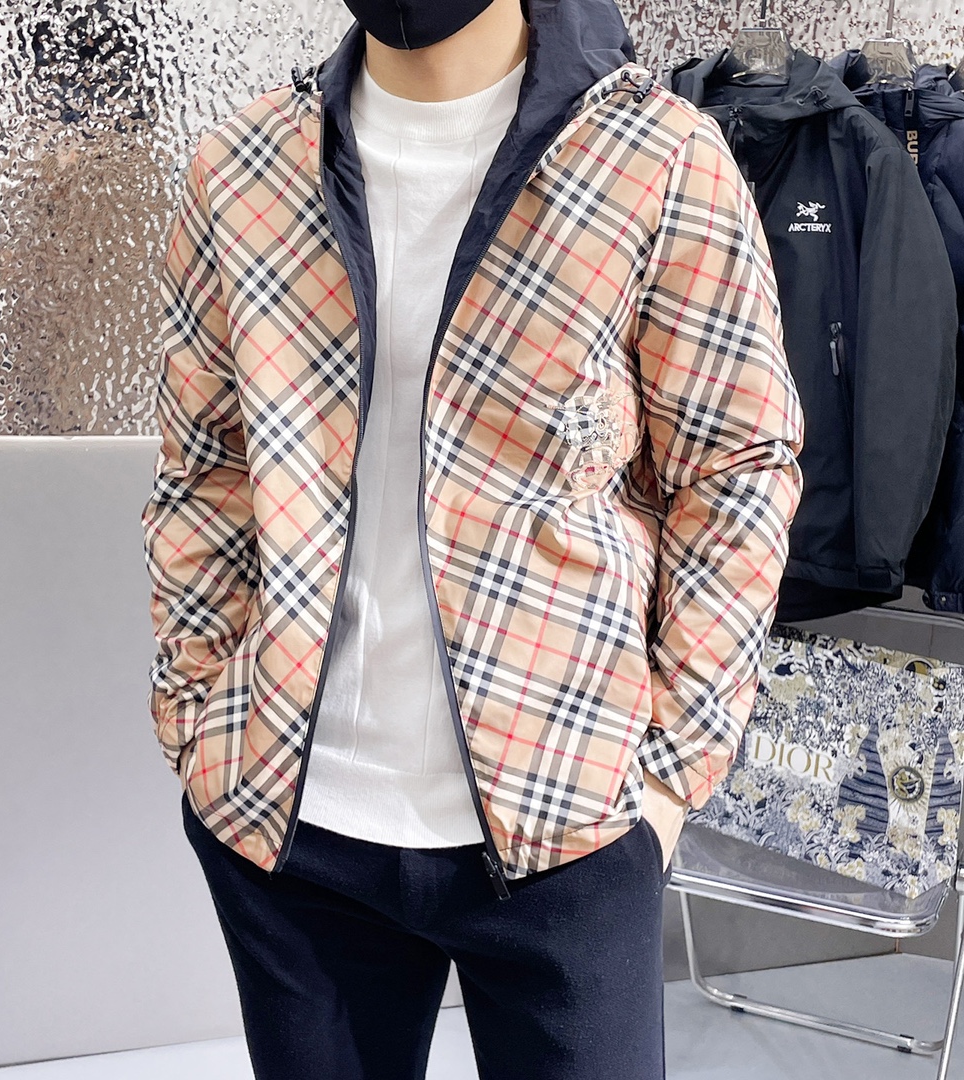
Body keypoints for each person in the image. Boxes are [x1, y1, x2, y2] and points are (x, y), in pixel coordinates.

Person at [141, 0, 804, 1076]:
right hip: (293, 826)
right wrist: (198, 708)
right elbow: (204, 466)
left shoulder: (657, 156)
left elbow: (736, 468)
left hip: (568, 819)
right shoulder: (246, 166)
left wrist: (669, 779)